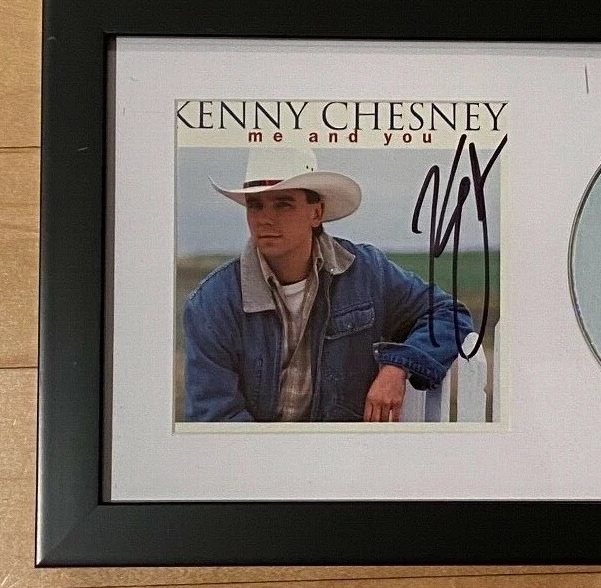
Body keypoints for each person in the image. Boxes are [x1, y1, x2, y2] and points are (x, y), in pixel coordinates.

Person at [182, 145, 474, 422]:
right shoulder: (212, 304)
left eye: (283, 204)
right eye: (255, 205)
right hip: (256, 454)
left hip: (345, 451)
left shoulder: (366, 273)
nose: (265, 219)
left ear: (316, 213)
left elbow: (449, 314)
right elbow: (216, 417)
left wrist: (399, 365)